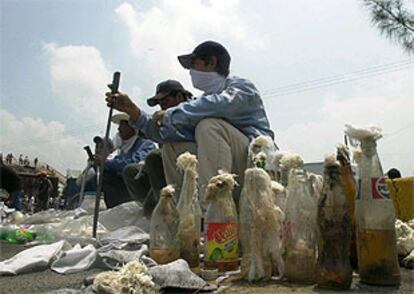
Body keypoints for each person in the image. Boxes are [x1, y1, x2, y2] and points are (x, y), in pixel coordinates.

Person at [106, 41, 275, 206]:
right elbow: (166, 132)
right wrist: (133, 111)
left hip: (255, 165)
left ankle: (214, 207)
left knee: (209, 126)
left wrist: (171, 114)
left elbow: (221, 104)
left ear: (211, 62)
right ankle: (185, 213)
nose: (190, 71)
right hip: (232, 169)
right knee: (172, 144)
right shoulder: (200, 105)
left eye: (194, 64)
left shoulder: (241, 87)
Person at [123, 80, 192, 216]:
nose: (162, 107)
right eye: (160, 104)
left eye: (165, 102)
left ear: (179, 97)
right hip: (169, 169)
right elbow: (153, 129)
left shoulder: (193, 111)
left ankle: (168, 214)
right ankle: (154, 211)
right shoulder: (164, 118)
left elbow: (171, 135)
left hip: (191, 167)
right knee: (131, 171)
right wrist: (131, 110)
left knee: (155, 157)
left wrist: (170, 116)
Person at [98, 113, 156, 208]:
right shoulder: (123, 148)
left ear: (132, 127)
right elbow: (116, 163)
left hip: (138, 185)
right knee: (105, 173)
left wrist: (105, 162)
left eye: (123, 126)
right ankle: (114, 207)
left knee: (128, 169)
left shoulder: (146, 145)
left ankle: (141, 206)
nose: (119, 129)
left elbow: (132, 163)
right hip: (122, 184)